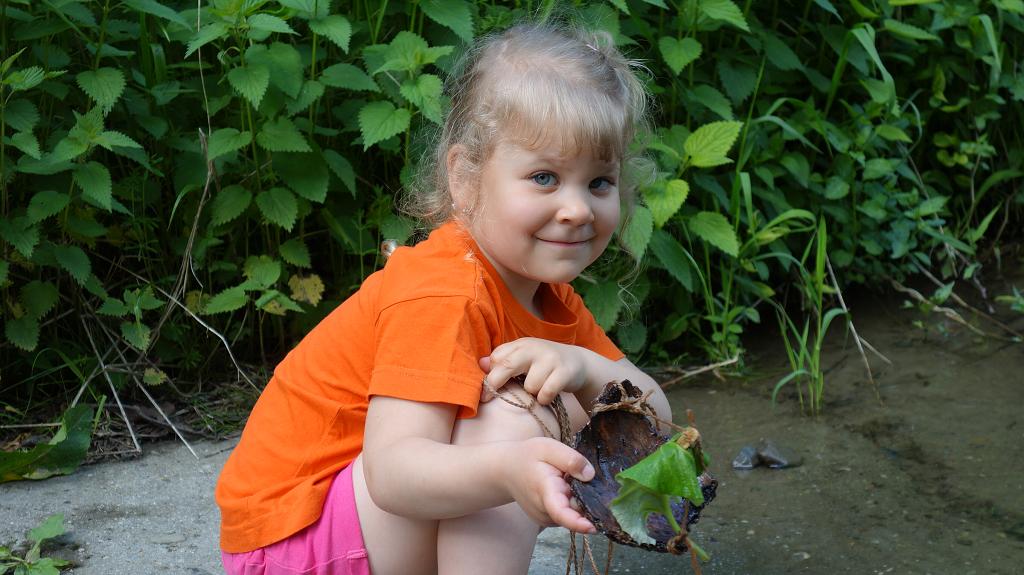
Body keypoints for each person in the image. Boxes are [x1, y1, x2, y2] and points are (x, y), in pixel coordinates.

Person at [215, 20, 673, 575]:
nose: (578, 208)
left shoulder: (550, 299)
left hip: (348, 531)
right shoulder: (442, 288)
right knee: (514, 416)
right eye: (545, 177)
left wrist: (582, 365)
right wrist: (507, 472)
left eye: (599, 182)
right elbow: (395, 473)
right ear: (465, 179)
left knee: (572, 393)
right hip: (293, 544)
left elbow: (656, 425)